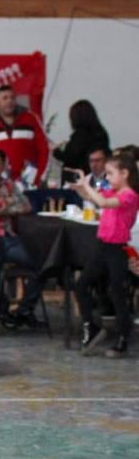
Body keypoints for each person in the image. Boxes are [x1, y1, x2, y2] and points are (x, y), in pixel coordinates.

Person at [70, 151, 139, 358]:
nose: (107, 177)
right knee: (82, 284)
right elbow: (94, 199)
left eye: (110, 173)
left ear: (125, 173)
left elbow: (103, 203)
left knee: (117, 292)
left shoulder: (129, 195)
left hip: (117, 249)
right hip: (102, 245)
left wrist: (90, 188)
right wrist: (82, 187)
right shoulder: (112, 191)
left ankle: (122, 338)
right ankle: (90, 326)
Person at [0, 149, 43, 328]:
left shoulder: (9, 184)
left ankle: (25, 309)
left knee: (41, 264)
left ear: (3, 166)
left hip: (7, 236)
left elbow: (27, 206)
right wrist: (8, 205)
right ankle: (3, 312)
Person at [0, 85, 49, 184]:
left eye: (12, 98)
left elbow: (44, 149)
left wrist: (40, 175)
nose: (9, 101)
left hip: (29, 181)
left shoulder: (31, 119)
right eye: (5, 98)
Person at [52, 99, 109, 173]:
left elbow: (70, 158)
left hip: (81, 175)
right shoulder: (102, 132)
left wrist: (55, 151)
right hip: (98, 172)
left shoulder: (80, 136)